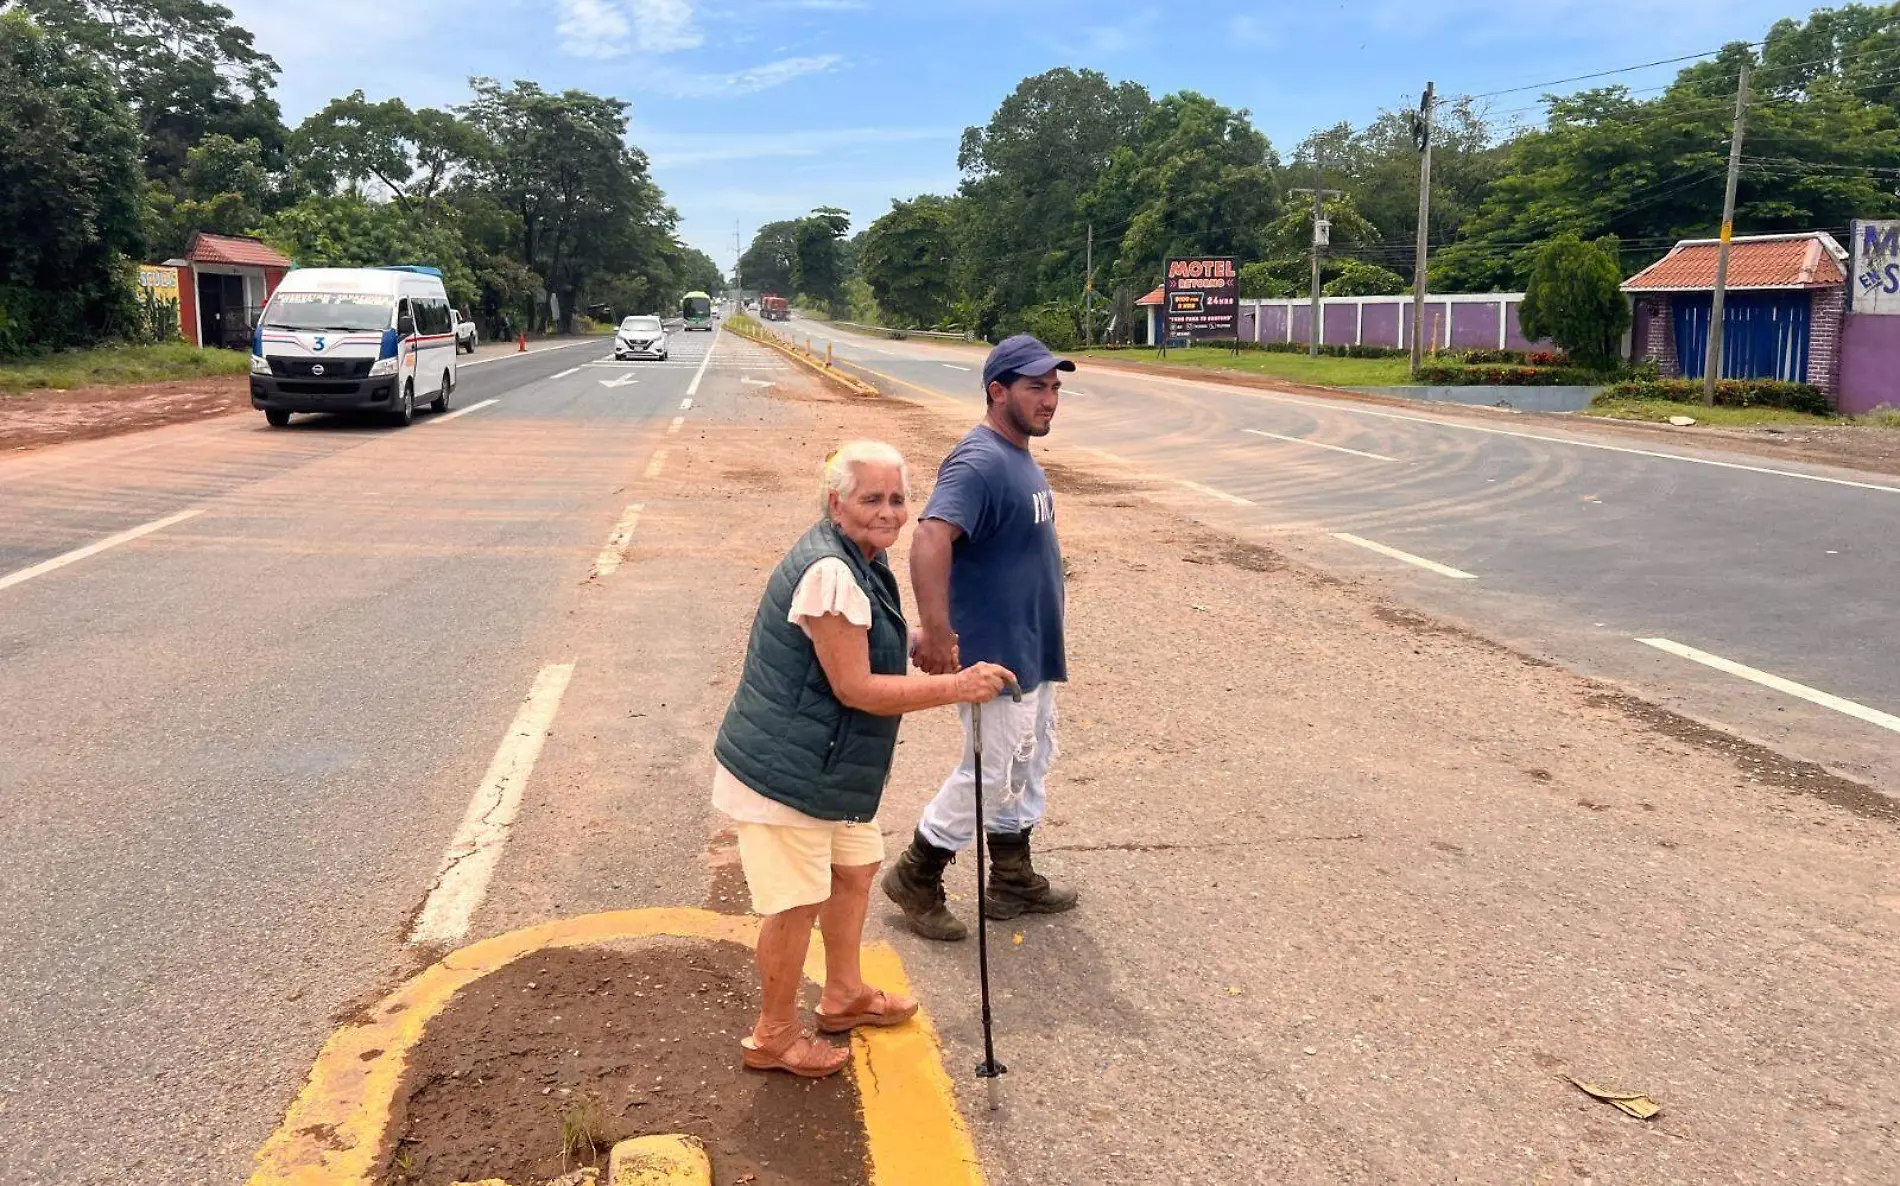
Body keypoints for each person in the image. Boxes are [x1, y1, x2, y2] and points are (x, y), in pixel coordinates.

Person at [712, 441, 1015, 1078]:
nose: (888, 512)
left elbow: (866, 636)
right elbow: (857, 689)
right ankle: (772, 1035)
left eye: (898, 499)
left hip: (831, 767)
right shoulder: (829, 572)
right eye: (871, 498)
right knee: (795, 903)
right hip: (787, 773)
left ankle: (844, 995)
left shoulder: (862, 563)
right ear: (836, 503)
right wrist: (956, 687)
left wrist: (923, 642)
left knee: (856, 867)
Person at [882, 335, 1079, 942]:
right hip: (993, 654)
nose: (1049, 400)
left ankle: (1012, 879)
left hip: (1031, 647)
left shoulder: (1017, 454)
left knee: (1028, 762)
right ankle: (918, 872)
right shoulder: (980, 459)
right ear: (998, 391)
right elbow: (931, 537)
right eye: (1035, 387)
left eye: (1054, 388)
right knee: (989, 770)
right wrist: (939, 634)